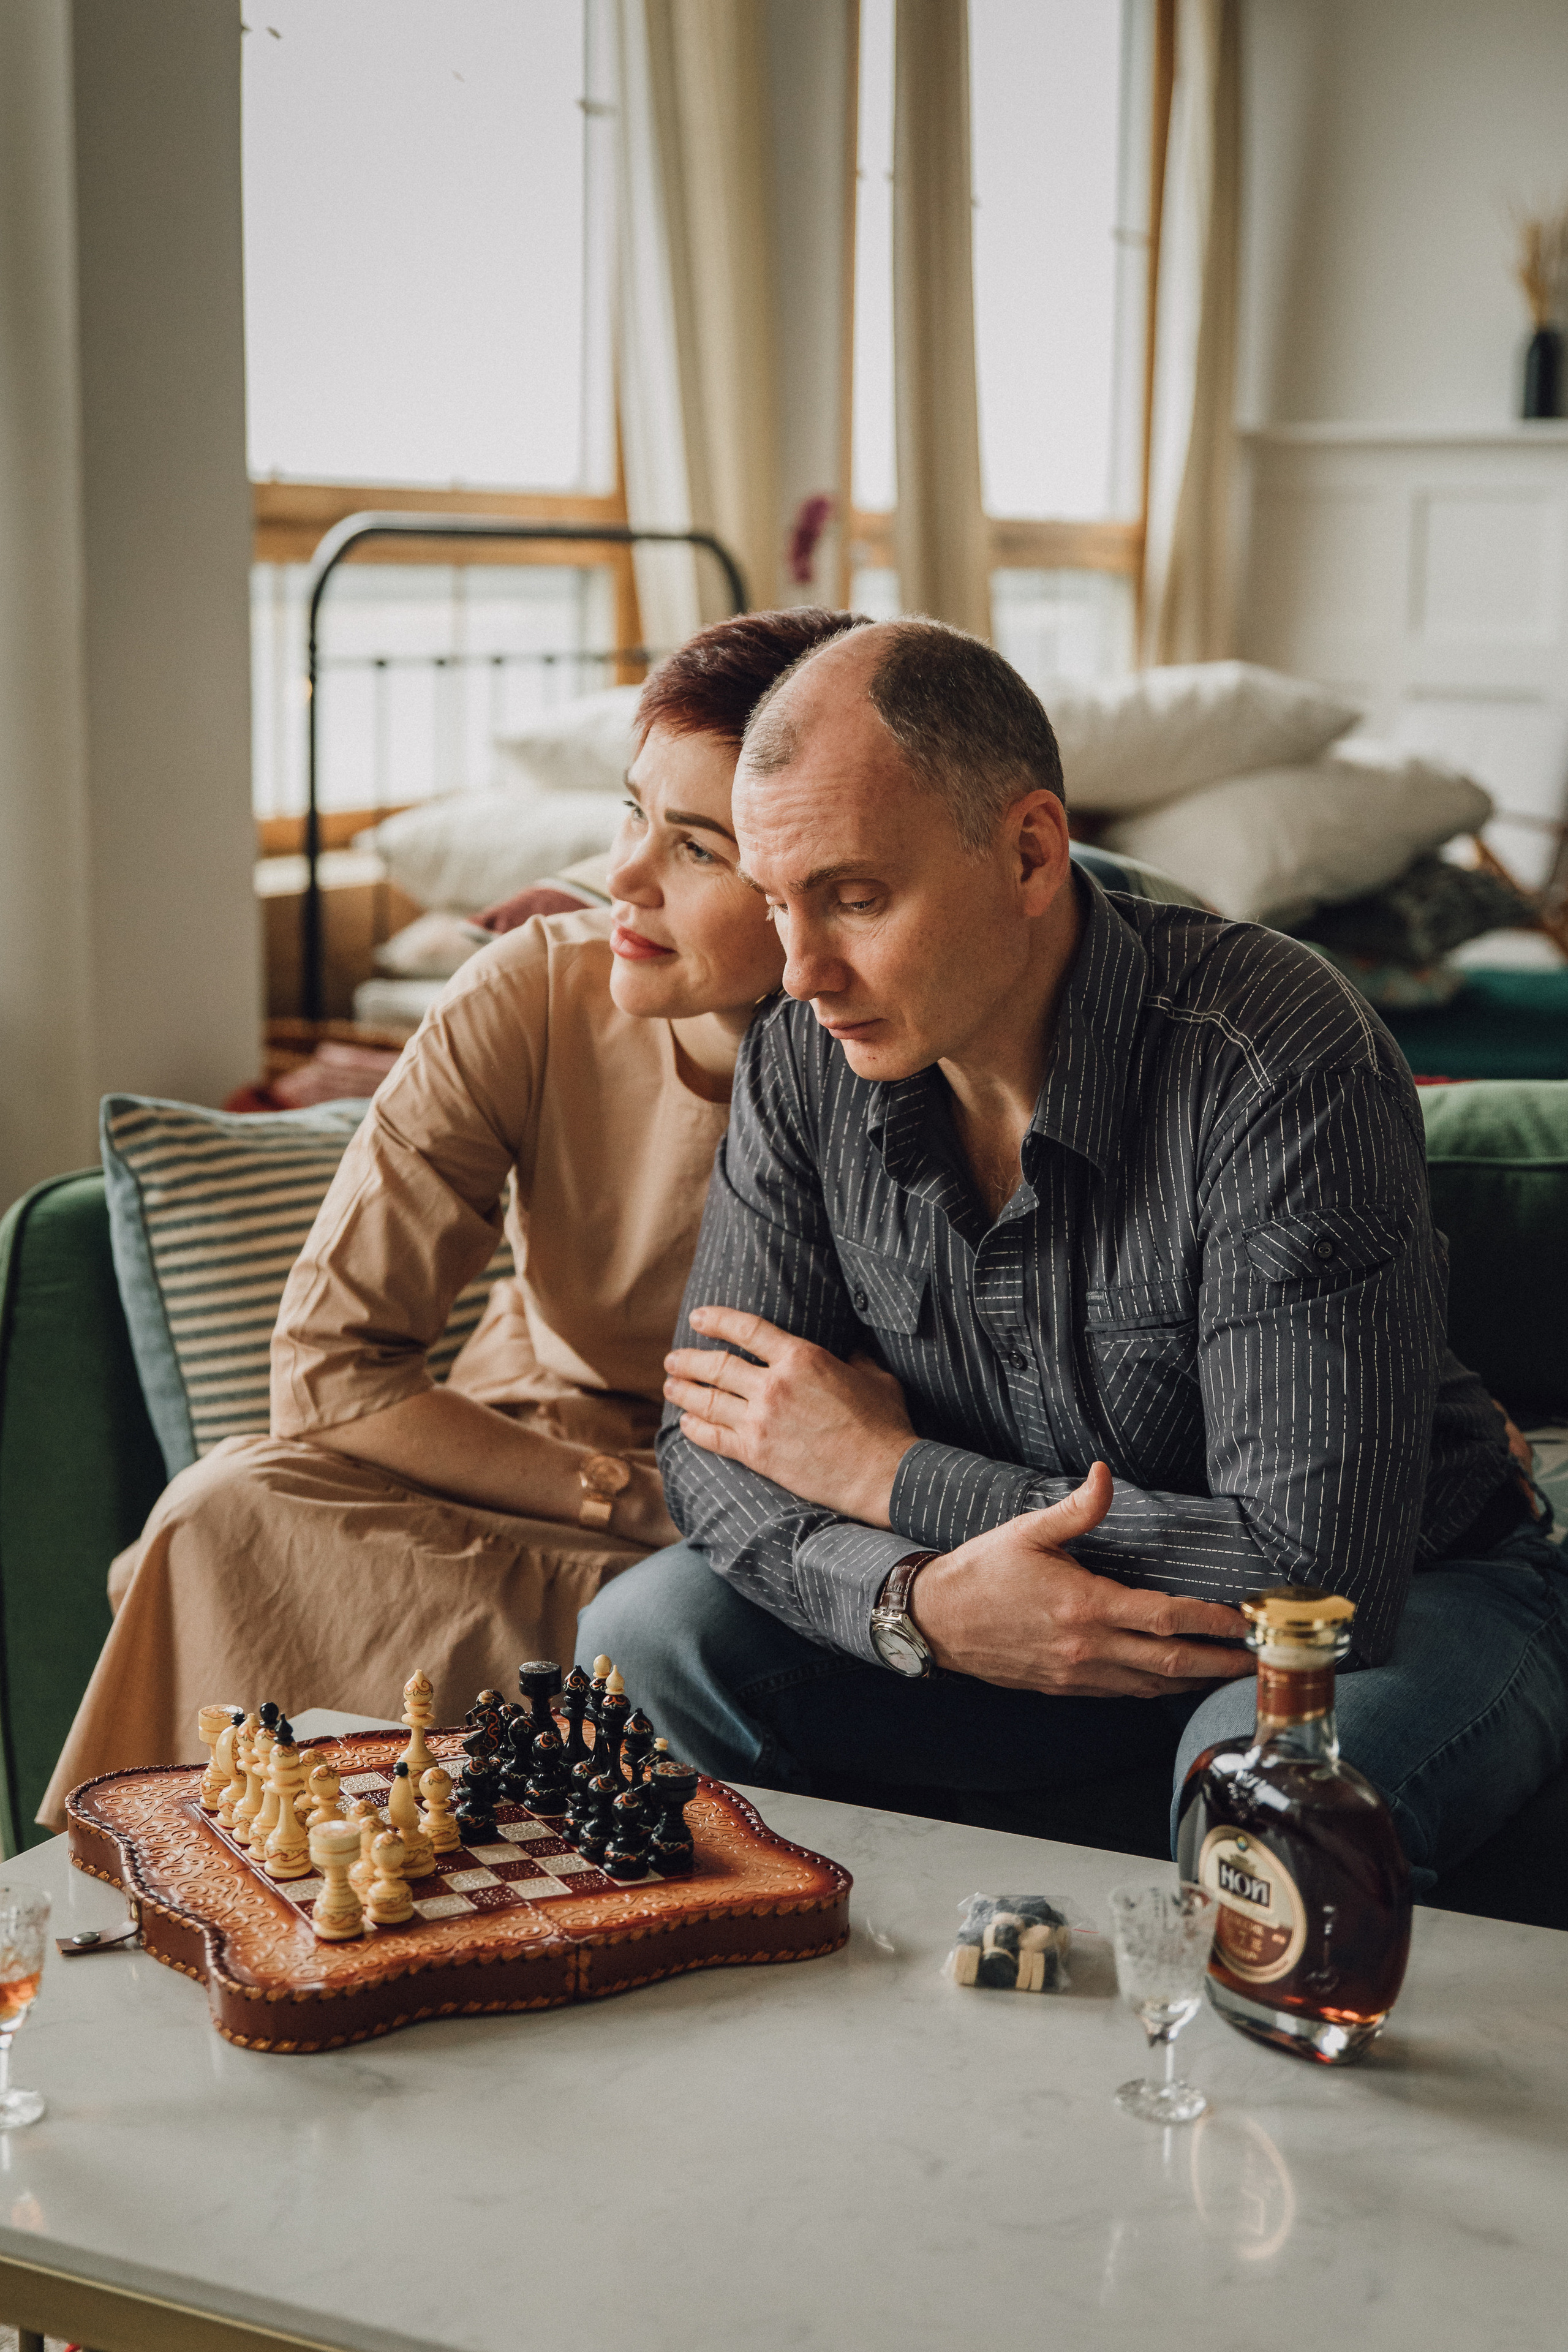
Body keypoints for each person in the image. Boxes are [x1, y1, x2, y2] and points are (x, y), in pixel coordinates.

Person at [577, 619, 1568, 1894]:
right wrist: (913, 1604)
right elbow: (712, 1453)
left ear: (1031, 851)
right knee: (644, 1635)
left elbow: (1316, 1569)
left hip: (1403, 1607)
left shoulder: (1276, 1056)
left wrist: (895, 1482)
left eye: (856, 897)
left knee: (1262, 1789)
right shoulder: (800, 1052)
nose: (804, 970)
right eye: (775, 903)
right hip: (991, 1602)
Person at [39, 607, 867, 1830]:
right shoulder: (532, 992)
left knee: (683, 1630)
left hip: (786, 1533)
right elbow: (328, 1369)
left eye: (695, 848)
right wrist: (630, 1495)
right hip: (542, 1470)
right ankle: (196, 1898)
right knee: (221, 1512)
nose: (626, 877)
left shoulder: (909, 1056)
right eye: (629, 812)